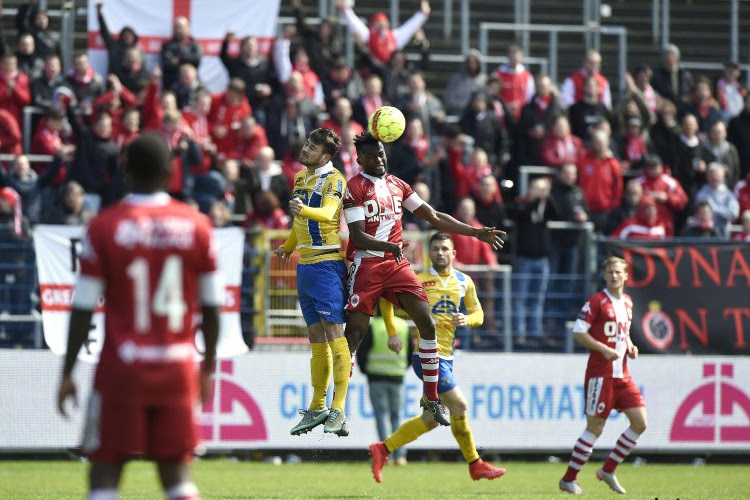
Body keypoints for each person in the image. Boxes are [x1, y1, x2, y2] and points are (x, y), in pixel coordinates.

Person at [56, 133, 222, 500]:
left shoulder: (104, 226)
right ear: (169, 173)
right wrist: (207, 367)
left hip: (121, 368)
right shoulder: (196, 226)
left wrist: (67, 372)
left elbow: (82, 307)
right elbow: (212, 309)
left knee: (105, 472)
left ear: (125, 172)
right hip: (177, 369)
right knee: (177, 477)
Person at [342, 131, 505, 433]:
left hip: (396, 264)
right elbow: (357, 236)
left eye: (382, 153)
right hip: (368, 263)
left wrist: (474, 232)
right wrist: (388, 247)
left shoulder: (397, 185)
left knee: (426, 322)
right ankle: (335, 406)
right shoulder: (354, 188)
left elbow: (432, 215)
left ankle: (430, 399)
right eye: (373, 155)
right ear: (360, 160)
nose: (380, 158)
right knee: (354, 335)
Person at [369, 233, 506, 483]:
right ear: (429, 253)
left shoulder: (465, 282)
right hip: (426, 356)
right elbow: (386, 300)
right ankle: (475, 463)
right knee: (460, 406)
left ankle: (383, 448)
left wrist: (468, 319)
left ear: (454, 254)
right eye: (435, 249)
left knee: (431, 419)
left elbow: (478, 313)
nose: (440, 253)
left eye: (445, 249)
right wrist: (392, 332)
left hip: (447, 357)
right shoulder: (418, 280)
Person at [273, 128, 352, 437]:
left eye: (313, 147)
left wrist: (303, 209)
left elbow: (330, 212)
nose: (306, 149)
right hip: (305, 267)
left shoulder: (334, 180)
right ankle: (318, 405)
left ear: (326, 156)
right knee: (316, 340)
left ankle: (339, 409)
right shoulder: (299, 177)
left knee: (335, 335)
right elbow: (299, 221)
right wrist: (289, 246)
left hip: (327, 266)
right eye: (307, 143)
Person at [559, 256, 647, 496]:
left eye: (618, 272)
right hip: (601, 375)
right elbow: (578, 332)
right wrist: (603, 348)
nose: (614, 276)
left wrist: (629, 345)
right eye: (610, 272)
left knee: (640, 422)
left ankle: (608, 470)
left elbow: (623, 333)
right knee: (595, 428)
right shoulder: (596, 301)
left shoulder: (627, 302)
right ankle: (569, 479)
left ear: (626, 275)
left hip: (623, 375)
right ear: (605, 276)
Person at [356, 300, 412, 466]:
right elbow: (410, 353)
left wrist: (366, 371)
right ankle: (400, 456)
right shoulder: (403, 326)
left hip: (376, 378)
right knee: (398, 417)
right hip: (398, 376)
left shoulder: (372, 326)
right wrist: (402, 367)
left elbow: (362, 353)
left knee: (382, 417)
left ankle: (385, 454)